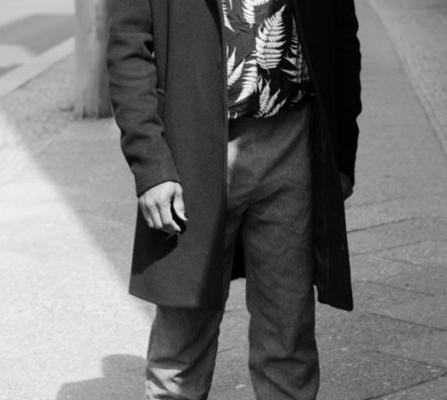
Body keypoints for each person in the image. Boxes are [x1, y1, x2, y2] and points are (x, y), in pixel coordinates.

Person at [107, 0, 361, 398]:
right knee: (181, 342)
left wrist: (341, 155)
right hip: (192, 149)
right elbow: (128, 48)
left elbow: (342, 39)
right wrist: (151, 165)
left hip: (292, 140)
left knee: (288, 333)